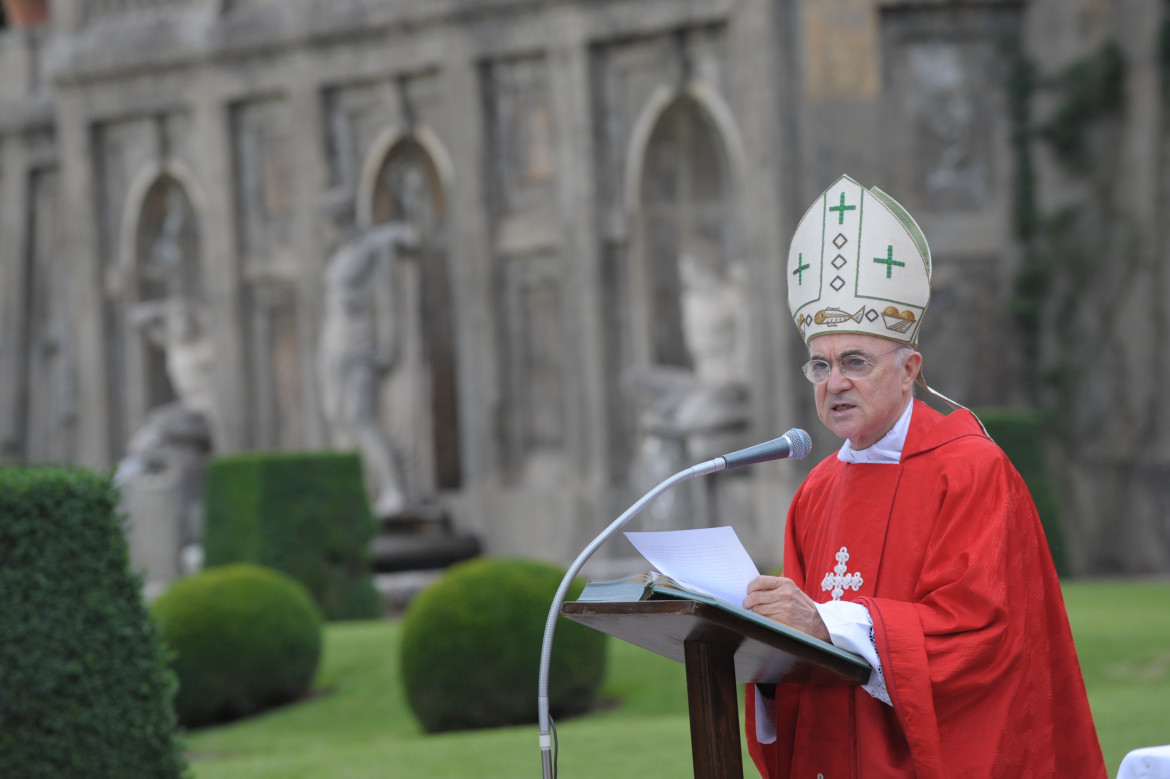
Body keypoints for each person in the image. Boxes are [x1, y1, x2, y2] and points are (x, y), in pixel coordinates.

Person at [742, 175, 1107, 778]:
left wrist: (825, 623)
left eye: (856, 362)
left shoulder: (971, 470)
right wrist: (761, 640)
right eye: (821, 364)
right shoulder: (816, 491)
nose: (834, 383)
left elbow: (979, 638)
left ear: (909, 368)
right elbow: (798, 637)